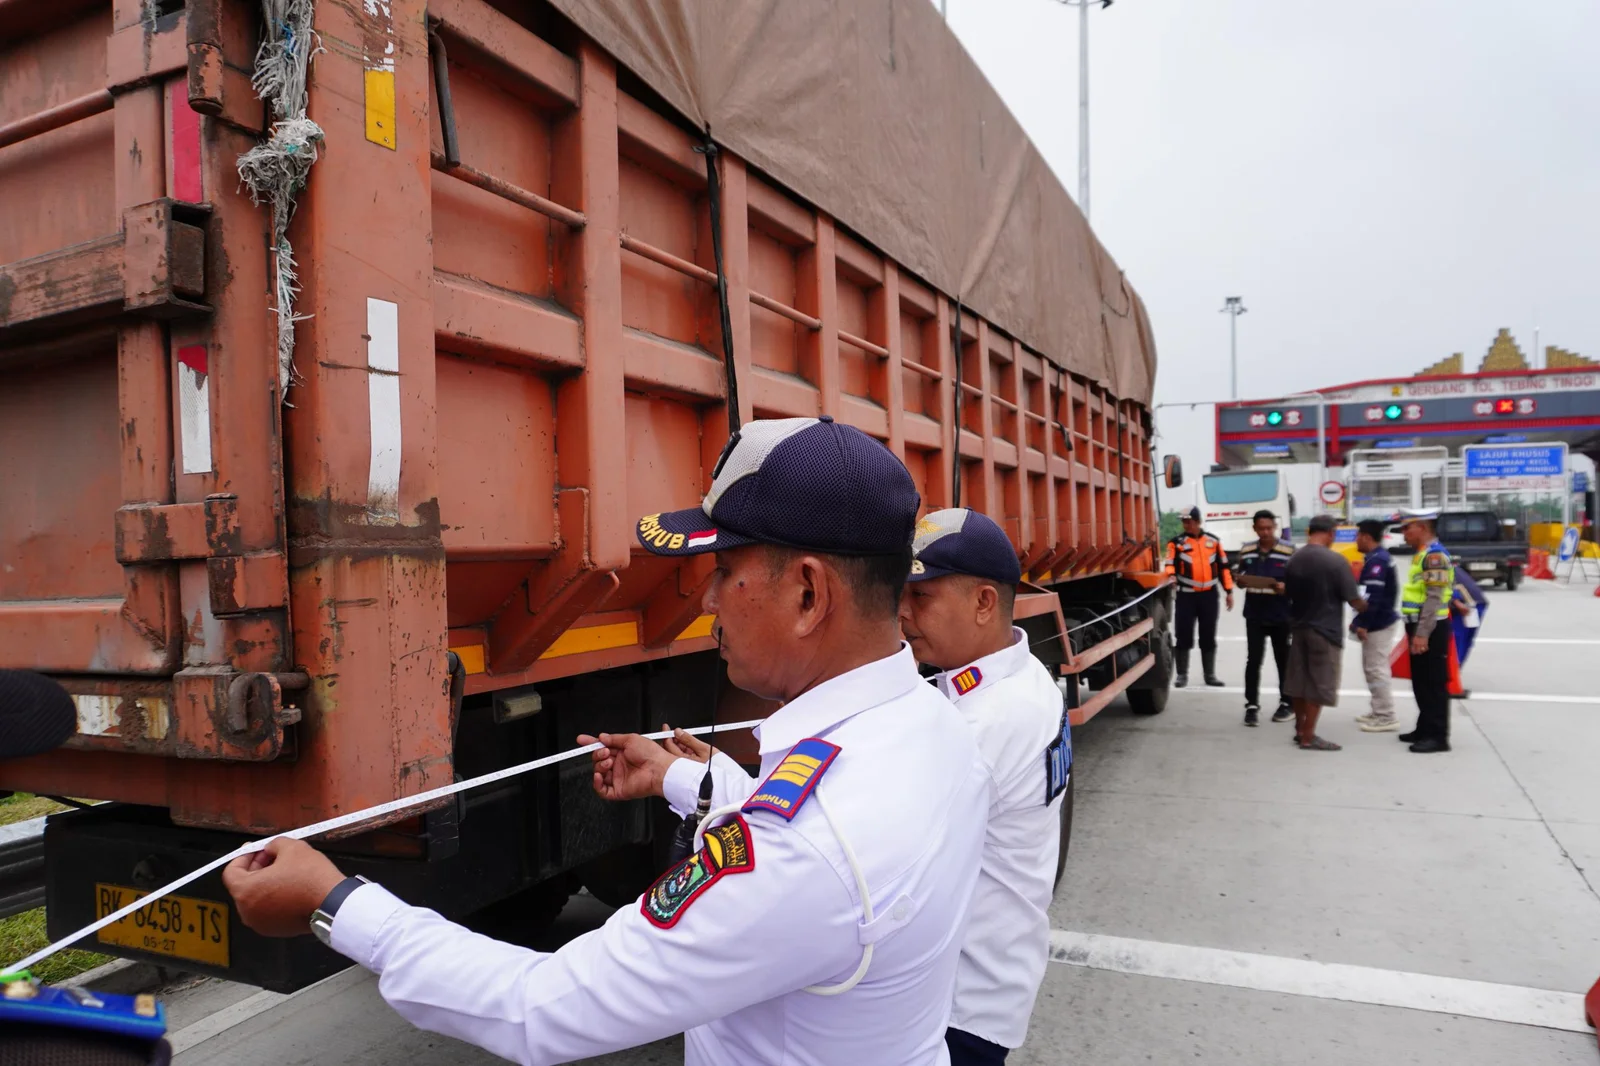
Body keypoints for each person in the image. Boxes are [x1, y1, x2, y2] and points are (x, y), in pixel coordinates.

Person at [221, 416, 991, 1065]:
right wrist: (677, 780)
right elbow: (813, 845)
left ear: (809, 592)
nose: (710, 598)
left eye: (724, 570)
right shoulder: (930, 728)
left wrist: (333, 903)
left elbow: (541, 1006)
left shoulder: (810, 849)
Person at [899, 508, 1068, 1065]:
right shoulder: (1025, 677)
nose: (902, 613)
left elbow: (862, 851)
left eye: (921, 596)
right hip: (992, 980)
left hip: (955, 1007)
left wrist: (699, 784)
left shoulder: (985, 723)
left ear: (983, 602)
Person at [1282, 514, 1368, 751]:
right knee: (1319, 685)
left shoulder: (1294, 559)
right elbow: (1353, 599)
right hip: (1325, 631)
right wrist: (1367, 607)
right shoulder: (1335, 561)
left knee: (1299, 683)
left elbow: (1287, 592)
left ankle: (1300, 730)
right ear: (1330, 533)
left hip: (1299, 628)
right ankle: (1309, 737)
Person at [1396, 509, 1456, 753]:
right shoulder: (1422, 555)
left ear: (1421, 527)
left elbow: (1433, 598)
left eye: (1406, 528)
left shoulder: (1434, 557)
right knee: (1421, 681)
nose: (1403, 534)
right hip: (1419, 624)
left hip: (1430, 627)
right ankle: (1424, 727)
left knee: (1433, 682)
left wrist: (1422, 633)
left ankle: (1438, 736)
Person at [1232, 510, 1295, 726]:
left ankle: (1287, 703)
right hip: (1255, 614)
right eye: (1261, 528)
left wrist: (1286, 588)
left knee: (1283, 661)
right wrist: (1240, 581)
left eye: (1269, 528)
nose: (1266, 532)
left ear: (1275, 527)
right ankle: (1251, 705)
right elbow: (1239, 576)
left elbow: (1299, 583)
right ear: (1255, 529)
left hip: (1281, 614)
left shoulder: (1288, 551)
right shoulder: (1247, 550)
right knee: (1253, 661)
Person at [1164, 505, 1234, 688]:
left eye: (1189, 521)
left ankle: (1210, 675)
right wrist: (1170, 575)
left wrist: (1229, 591)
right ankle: (1182, 675)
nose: (1186, 525)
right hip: (1186, 596)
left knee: (1208, 635)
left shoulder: (1214, 542)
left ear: (1198, 521)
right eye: (1184, 522)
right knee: (1184, 635)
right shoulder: (1176, 543)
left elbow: (1224, 568)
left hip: (1209, 597)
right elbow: (1169, 563)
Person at [1350, 518, 1402, 732]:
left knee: (1376, 669)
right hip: (1377, 622)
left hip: (1378, 624)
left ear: (1366, 537)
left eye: (1357, 536)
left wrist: (1363, 623)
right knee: (1371, 669)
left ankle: (1386, 715)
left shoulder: (1377, 561)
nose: (1356, 540)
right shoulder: (1375, 558)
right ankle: (1377, 709)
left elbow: (1373, 597)